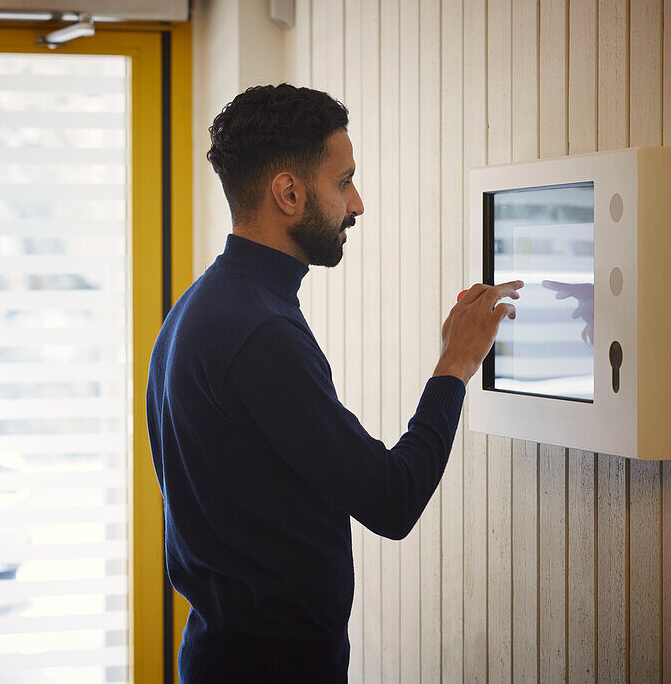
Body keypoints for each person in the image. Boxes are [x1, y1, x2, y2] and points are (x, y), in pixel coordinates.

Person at [145, 84, 521, 682]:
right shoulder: (258, 332)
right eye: (343, 181)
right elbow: (391, 500)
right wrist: (455, 365)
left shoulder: (201, 308)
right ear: (289, 193)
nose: (358, 203)